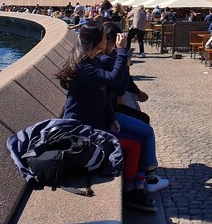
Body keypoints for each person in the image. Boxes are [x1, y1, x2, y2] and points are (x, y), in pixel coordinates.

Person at [56, 21, 163, 212]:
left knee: (140, 136)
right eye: (105, 37)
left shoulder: (94, 61)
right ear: (98, 41)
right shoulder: (83, 67)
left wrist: (112, 117)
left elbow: (105, 94)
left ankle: (137, 189)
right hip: (81, 127)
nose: (108, 39)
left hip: (98, 121)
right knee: (134, 144)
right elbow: (114, 80)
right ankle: (133, 193)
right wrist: (122, 53)